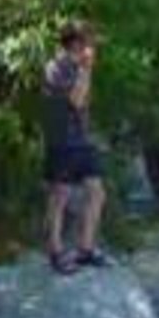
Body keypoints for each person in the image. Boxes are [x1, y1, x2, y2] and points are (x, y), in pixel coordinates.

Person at [42, 21, 109, 274]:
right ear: (77, 43)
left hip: (81, 140)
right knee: (60, 195)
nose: (93, 48)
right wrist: (86, 69)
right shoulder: (56, 67)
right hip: (61, 141)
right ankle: (56, 252)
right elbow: (77, 100)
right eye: (89, 42)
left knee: (97, 191)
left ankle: (86, 249)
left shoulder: (78, 67)